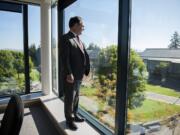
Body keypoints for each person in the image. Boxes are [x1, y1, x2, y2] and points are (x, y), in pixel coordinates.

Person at [60, 16, 90, 130]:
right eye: (82, 25)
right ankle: (69, 120)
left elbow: (84, 55)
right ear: (76, 25)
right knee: (69, 98)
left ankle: (75, 115)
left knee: (76, 96)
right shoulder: (65, 38)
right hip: (71, 76)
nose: (83, 28)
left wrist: (86, 69)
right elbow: (64, 58)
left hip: (79, 75)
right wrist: (69, 73)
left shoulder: (79, 39)